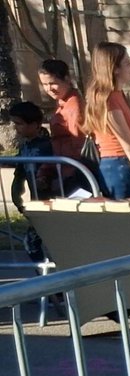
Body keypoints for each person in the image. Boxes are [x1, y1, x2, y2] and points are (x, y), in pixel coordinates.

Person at [83, 42, 130, 199]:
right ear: (115, 68)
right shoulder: (108, 99)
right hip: (119, 166)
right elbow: (128, 145)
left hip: (126, 164)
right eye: (127, 63)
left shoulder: (117, 95)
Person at [8, 101, 57, 261]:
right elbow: (19, 171)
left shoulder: (45, 146)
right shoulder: (26, 146)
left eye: (19, 124)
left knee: (34, 243)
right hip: (37, 203)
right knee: (33, 243)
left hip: (49, 202)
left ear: (34, 124)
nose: (16, 128)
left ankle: (50, 278)